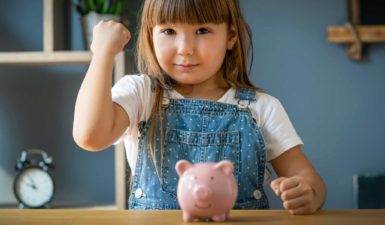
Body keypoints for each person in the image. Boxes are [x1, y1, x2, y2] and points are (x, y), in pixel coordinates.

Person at [73, 0, 326, 215]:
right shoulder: (140, 94)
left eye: (202, 30)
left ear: (231, 36)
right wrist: (103, 54)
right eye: (169, 31)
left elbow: (310, 180)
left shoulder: (262, 107)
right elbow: (90, 136)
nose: (185, 49)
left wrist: (308, 193)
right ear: (151, 34)